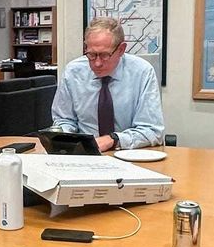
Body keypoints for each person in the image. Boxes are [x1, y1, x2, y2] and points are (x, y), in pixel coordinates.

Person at [50, 17, 164, 150]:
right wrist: (63, 135)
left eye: (104, 55)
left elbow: (152, 130)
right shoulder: (73, 72)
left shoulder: (142, 72)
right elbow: (64, 120)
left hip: (128, 153)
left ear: (121, 49)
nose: (97, 63)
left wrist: (113, 139)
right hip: (85, 154)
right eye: (91, 55)